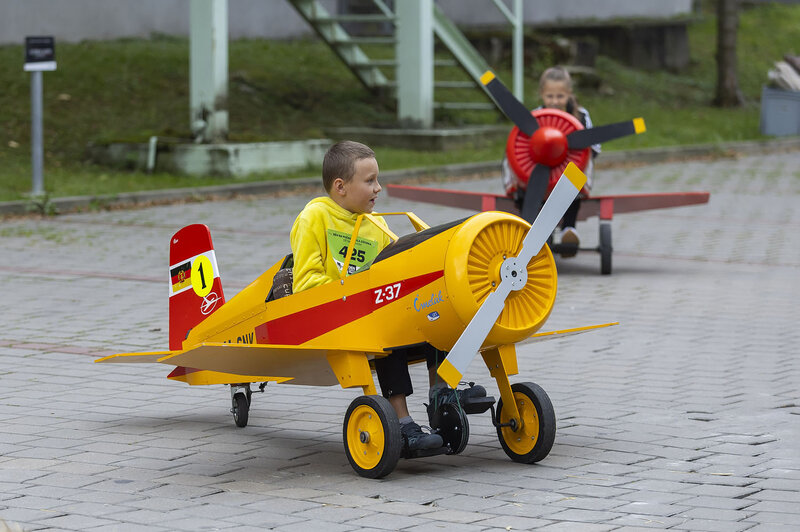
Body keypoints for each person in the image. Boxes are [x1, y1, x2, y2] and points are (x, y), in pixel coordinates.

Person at [290, 140, 483, 453]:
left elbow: (391, 272)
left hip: (371, 309)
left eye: (377, 180)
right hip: (333, 317)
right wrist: (355, 293)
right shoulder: (314, 217)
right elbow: (305, 283)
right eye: (370, 181)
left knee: (433, 311)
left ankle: (441, 393)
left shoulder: (376, 223)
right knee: (387, 330)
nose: (378, 188)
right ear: (340, 187)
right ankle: (401, 421)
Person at [501, 66, 601, 255]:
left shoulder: (581, 116)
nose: (555, 101)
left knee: (573, 185)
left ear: (569, 94)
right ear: (541, 94)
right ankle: (530, 228)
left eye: (560, 96)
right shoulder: (532, 117)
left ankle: (569, 230)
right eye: (550, 96)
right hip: (535, 171)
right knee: (523, 187)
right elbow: (519, 144)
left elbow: (595, 148)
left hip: (568, 171)